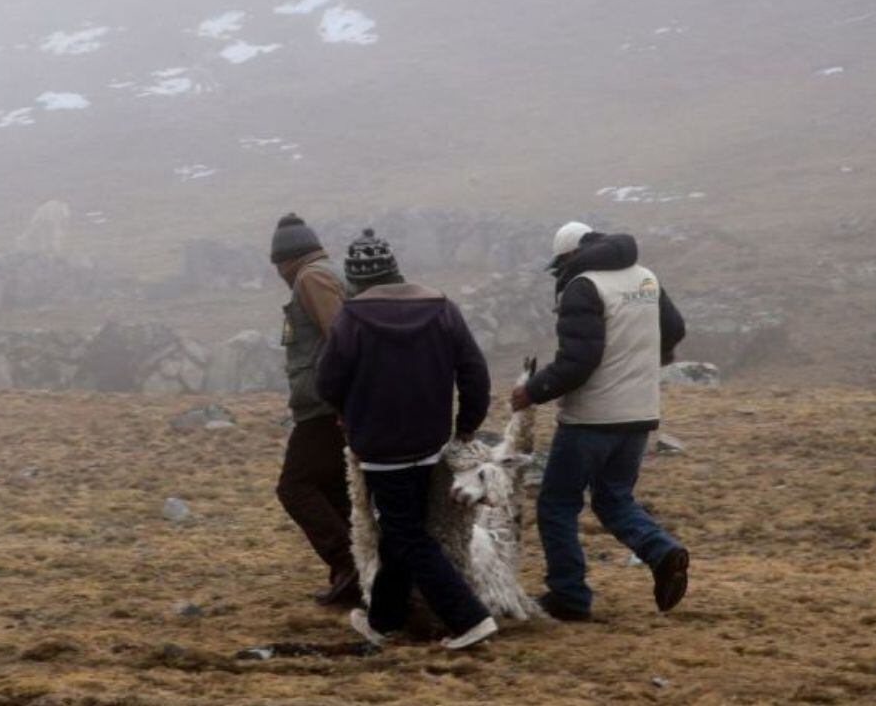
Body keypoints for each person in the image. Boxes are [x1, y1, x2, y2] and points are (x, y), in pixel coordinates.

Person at [317, 228, 499, 651]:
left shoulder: (352, 318)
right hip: (430, 443)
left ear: (356, 280)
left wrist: (346, 414)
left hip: (381, 448)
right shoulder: (441, 308)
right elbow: (474, 370)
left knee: (406, 535)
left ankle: (469, 619)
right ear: (395, 270)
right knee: (401, 532)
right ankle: (384, 622)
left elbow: (327, 381)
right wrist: (467, 425)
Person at [510, 221, 690, 621]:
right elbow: (674, 328)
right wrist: (655, 355)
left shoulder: (584, 286)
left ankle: (569, 596)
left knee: (556, 505)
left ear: (569, 256)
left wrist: (532, 391)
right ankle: (662, 553)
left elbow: (577, 362)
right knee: (613, 498)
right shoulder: (645, 278)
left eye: (560, 266)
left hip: (590, 418)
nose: (560, 274)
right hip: (640, 414)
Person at [268, 212, 360, 607]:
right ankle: (355, 573)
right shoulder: (323, 273)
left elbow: (341, 340)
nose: (278, 274)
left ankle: (350, 563)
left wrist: (341, 399)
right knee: (335, 489)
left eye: (276, 266)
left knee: (296, 486)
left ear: (287, 260)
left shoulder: (312, 278)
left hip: (324, 406)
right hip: (330, 404)